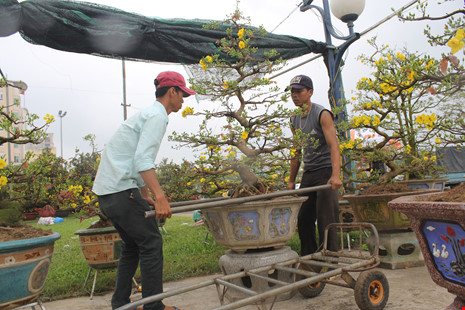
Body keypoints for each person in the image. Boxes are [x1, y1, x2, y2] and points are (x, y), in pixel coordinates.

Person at [92, 71, 195, 310]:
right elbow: (143, 159)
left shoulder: (146, 115)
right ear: (172, 91)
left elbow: (132, 157)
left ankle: (120, 304)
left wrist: (145, 195)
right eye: (183, 94)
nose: (183, 99)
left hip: (108, 193)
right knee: (151, 242)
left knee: (132, 245)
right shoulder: (157, 116)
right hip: (120, 190)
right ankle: (153, 306)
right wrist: (160, 197)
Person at [286, 74, 343, 256]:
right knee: (304, 218)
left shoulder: (322, 114)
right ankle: (310, 258)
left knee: (326, 218)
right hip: (309, 172)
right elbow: (296, 151)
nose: (295, 95)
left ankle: (330, 260)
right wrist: (291, 180)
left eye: (299, 91)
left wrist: (336, 175)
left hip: (326, 170)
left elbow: (334, 146)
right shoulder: (294, 119)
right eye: (292, 92)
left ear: (310, 92)